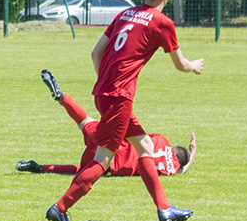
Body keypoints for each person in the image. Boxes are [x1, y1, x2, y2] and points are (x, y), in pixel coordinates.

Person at [45, 0, 203, 221]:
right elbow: (180, 64)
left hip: (104, 93)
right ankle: (60, 207)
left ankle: (164, 209)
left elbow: (96, 53)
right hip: (119, 97)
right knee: (103, 159)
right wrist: (193, 65)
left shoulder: (125, 14)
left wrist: (106, 83)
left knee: (146, 147)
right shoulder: (162, 23)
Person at [16, 70, 197, 177]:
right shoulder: (171, 169)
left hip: (109, 140)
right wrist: (193, 154)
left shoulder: (161, 140)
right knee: (81, 170)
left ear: (173, 148)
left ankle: (63, 98)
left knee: (82, 120)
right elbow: (182, 170)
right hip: (108, 164)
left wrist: (192, 149)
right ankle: (40, 167)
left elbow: (139, 136)